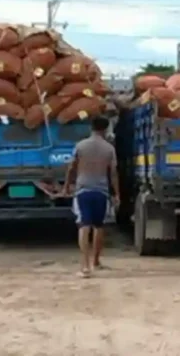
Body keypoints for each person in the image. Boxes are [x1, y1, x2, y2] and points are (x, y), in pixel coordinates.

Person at [63, 115, 120, 278]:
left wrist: (67, 186)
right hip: (102, 190)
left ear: (91, 128)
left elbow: (71, 167)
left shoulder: (81, 146)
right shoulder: (109, 149)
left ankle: (84, 266)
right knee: (99, 226)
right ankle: (96, 261)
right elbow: (114, 173)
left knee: (83, 225)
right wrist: (117, 194)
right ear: (105, 129)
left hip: (83, 190)